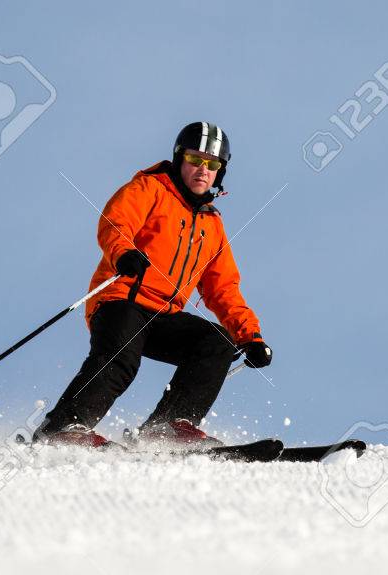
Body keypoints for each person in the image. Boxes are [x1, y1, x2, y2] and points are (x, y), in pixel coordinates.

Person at [37, 122, 272, 448]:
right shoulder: (150, 188)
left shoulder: (212, 225)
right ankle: (63, 427)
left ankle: (166, 429)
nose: (203, 170)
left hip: (164, 316)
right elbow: (116, 221)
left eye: (213, 164)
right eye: (195, 159)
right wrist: (124, 253)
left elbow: (223, 289)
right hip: (122, 300)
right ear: (179, 158)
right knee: (122, 361)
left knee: (217, 341)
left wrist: (250, 336)